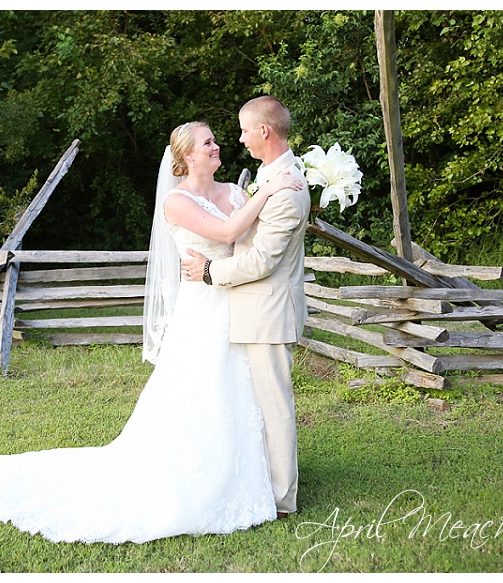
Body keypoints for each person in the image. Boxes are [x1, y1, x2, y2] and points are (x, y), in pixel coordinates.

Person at [0, 121, 303, 544]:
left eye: (216, 140)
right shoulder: (176, 202)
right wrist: (269, 191)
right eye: (208, 143)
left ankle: (249, 475)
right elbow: (228, 232)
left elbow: (252, 241)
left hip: (237, 306)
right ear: (186, 158)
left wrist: (265, 198)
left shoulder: (236, 193)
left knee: (242, 395)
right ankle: (192, 475)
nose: (218, 146)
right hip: (202, 311)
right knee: (200, 393)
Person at [182, 96, 312, 518]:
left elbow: (262, 261)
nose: (237, 139)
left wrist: (207, 273)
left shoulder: (287, 189)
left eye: (242, 130)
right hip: (251, 311)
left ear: (264, 132)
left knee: (275, 408)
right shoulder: (270, 178)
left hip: (268, 312)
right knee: (257, 405)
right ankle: (260, 480)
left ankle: (282, 499)